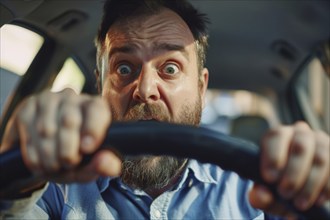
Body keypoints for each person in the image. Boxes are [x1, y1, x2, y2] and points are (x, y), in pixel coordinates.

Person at [0, 0, 329, 219]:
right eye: (124, 69)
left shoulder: (256, 194)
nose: (144, 90)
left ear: (201, 87)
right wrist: (16, 183)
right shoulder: (54, 186)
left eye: (170, 69)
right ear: (100, 85)